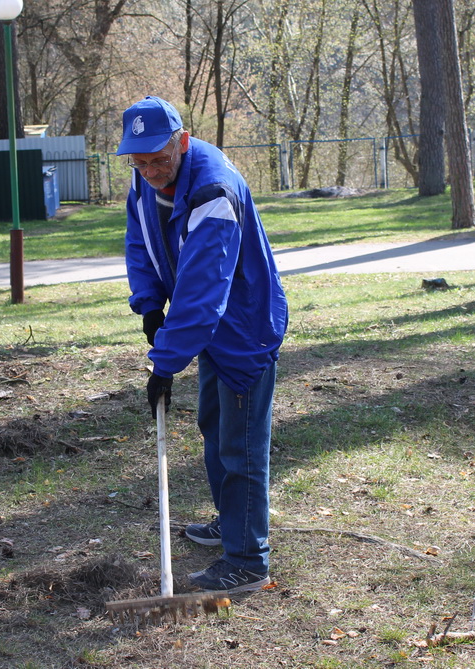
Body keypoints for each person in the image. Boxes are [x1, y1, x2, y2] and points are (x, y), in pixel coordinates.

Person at [116, 96, 289, 594]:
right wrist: (149, 304)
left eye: (158, 159)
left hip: (242, 327)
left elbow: (202, 291)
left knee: (241, 446)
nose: (148, 170)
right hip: (208, 328)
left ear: (183, 141)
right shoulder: (146, 175)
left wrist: (164, 363)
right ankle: (230, 521)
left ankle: (248, 559)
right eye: (139, 160)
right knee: (215, 428)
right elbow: (140, 238)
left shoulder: (213, 189)